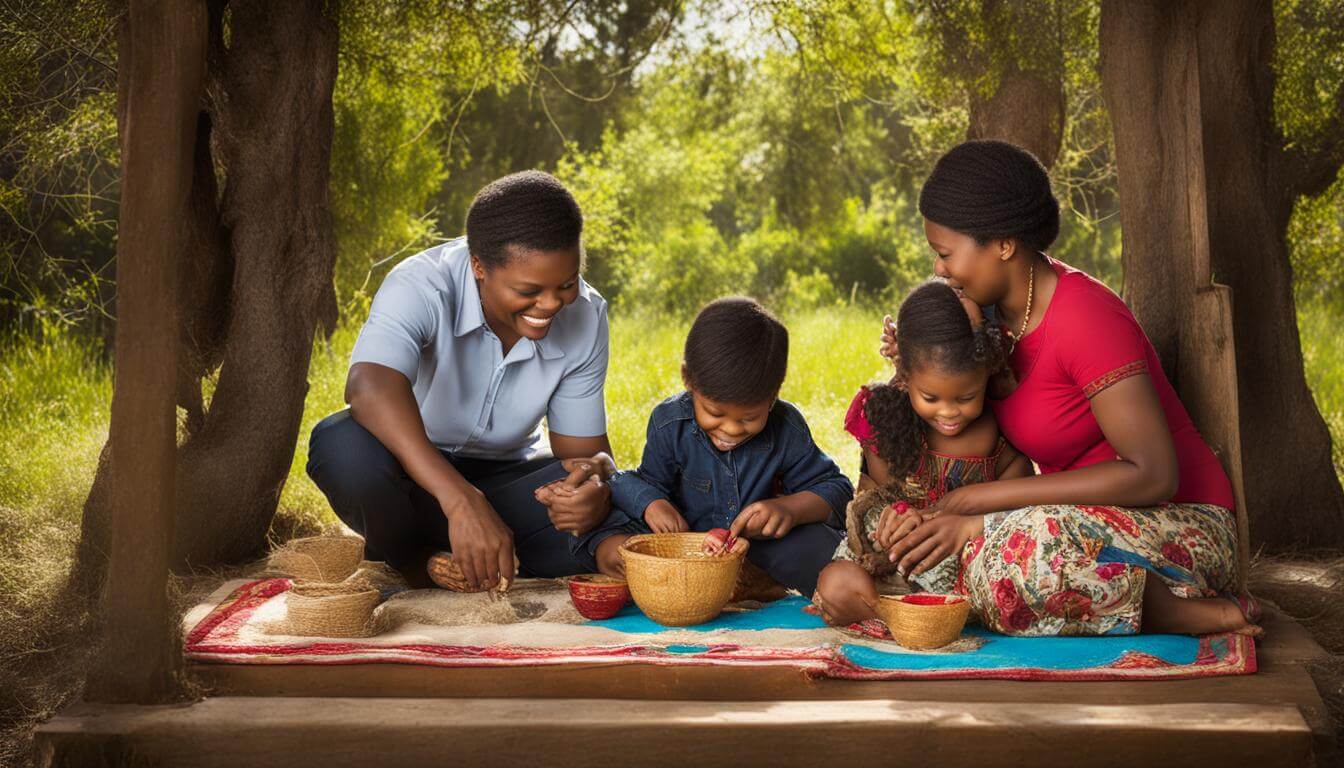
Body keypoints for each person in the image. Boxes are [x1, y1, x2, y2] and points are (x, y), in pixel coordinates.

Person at [870, 139, 1259, 637]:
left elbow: (1154, 476)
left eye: (945, 255)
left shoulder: (1085, 318)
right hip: (1068, 523)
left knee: (1018, 555)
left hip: (1179, 522)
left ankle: (1182, 612)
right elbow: (938, 397)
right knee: (956, 561)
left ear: (1004, 244)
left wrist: (986, 506)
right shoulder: (984, 317)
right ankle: (1113, 596)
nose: (938, 270)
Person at [306, 171, 615, 591]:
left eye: (566, 284)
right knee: (341, 446)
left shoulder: (587, 316)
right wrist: (461, 500)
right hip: (408, 475)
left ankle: (444, 554)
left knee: (616, 513)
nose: (551, 303)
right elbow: (368, 386)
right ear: (479, 266)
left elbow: (586, 455)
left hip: (510, 484)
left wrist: (593, 486)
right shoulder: (421, 283)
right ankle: (415, 559)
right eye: (529, 290)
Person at [582, 297, 853, 596]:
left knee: (827, 551)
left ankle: (757, 581)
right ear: (688, 380)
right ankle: (735, 584)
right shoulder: (670, 423)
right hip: (687, 547)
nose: (732, 429)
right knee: (610, 531)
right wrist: (652, 503)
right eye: (715, 413)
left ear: (773, 396)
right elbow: (642, 481)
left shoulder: (785, 427)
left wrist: (788, 509)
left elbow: (837, 489)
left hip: (757, 550)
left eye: (750, 418)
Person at [812, 279, 1033, 625]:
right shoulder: (884, 418)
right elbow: (870, 495)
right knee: (836, 584)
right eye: (930, 398)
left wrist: (961, 525)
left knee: (1010, 587)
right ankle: (896, 616)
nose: (948, 412)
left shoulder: (997, 429)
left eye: (966, 398)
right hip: (892, 559)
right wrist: (892, 517)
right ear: (905, 376)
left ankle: (927, 617)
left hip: (961, 563)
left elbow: (1018, 504)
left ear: (986, 379)